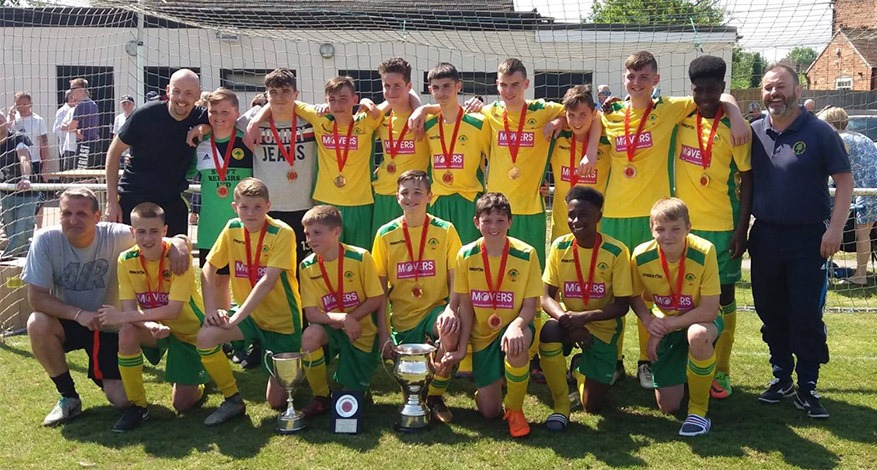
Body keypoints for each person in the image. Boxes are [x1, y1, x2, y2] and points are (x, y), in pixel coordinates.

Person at [596, 51, 748, 389]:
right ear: (624, 78)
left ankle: (647, 362)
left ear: (656, 81)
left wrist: (736, 113)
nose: (636, 83)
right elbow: (583, 119)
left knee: (651, 290)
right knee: (614, 293)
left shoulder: (670, 110)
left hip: (653, 218)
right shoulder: (611, 113)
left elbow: (713, 91)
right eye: (631, 77)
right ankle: (613, 360)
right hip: (614, 216)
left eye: (643, 77)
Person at [22, 188, 190, 426]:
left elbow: (152, 234)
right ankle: (68, 397)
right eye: (67, 213)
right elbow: (37, 298)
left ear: (97, 217)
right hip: (71, 321)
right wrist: (79, 315)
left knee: (122, 400)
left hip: (111, 328)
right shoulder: (46, 240)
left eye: (81, 214)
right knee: (37, 322)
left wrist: (179, 243)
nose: (73, 220)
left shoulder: (116, 235)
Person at [749, 64, 852, 419]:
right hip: (763, 236)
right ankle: (782, 377)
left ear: (797, 89)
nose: (773, 93)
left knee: (805, 314)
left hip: (809, 238)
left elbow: (844, 182)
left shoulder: (820, 131)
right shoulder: (754, 132)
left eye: (781, 86)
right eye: (767, 87)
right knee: (769, 311)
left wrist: (835, 229)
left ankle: (808, 384)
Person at [96, 203, 241, 431]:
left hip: (190, 334)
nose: (147, 238)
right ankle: (138, 407)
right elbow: (128, 309)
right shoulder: (126, 260)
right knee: (128, 331)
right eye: (141, 232)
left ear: (164, 231)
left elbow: (173, 310)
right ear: (132, 233)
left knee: (182, 405)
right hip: (157, 329)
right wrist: (148, 323)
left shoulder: (177, 259)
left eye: (154, 231)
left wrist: (122, 317)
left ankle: (202, 379)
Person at [671, 56, 752, 400]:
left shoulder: (736, 129)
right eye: (698, 89)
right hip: (684, 229)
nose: (705, 95)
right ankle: (687, 362)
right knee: (685, 297)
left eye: (713, 89)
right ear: (692, 90)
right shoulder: (680, 119)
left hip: (722, 227)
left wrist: (741, 228)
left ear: (723, 88)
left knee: (726, 298)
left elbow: (747, 178)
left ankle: (722, 370)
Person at [195, 177, 302, 413]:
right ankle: (232, 398)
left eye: (257, 207)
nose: (250, 213)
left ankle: (299, 363)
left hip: (281, 320)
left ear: (268, 206)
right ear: (235, 207)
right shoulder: (232, 227)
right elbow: (207, 268)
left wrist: (235, 318)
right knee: (205, 337)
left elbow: (268, 281)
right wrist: (211, 309)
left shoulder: (282, 232)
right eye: (244, 207)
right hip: (250, 316)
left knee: (276, 402)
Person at [371, 170, 463, 423]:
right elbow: (378, 291)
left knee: (450, 329)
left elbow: (457, 276)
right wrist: (384, 332)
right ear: (396, 197)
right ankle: (418, 394)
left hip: (435, 308)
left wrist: (451, 310)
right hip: (402, 316)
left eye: (418, 192)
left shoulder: (445, 230)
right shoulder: (385, 234)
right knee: (411, 383)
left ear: (430, 197)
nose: (411, 198)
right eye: (405, 193)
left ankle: (435, 396)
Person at [540, 186, 631, 430]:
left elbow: (622, 305)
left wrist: (584, 318)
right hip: (568, 322)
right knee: (548, 332)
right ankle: (561, 402)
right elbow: (545, 297)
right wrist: (567, 320)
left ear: (598, 216)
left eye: (583, 215)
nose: (575, 221)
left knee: (593, 406)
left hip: (602, 328)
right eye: (571, 215)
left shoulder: (617, 251)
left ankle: (579, 368)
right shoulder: (560, 247)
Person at [630, 198, 722, 437]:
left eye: (675, 229)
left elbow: (710, 309)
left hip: (701, 321)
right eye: (660, 229)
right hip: (667, 323)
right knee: (668, 406)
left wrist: (662, 328)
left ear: (688, 228)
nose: (667, 236)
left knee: (698, 335)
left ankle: (698, 412)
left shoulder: (705, 251)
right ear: (651, 229)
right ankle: (694, 371)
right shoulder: (640, 255)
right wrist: (650, 322)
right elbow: (633, 296)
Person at [453, 192, 542, 438]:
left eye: (500, 220)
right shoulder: (466, 255)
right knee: (490, 412)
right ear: (476, 223)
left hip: (515, 323)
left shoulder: (526, 254)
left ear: (510, 222)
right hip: (483, 335)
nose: (494, 227)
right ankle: (490, 388)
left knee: (518, 341)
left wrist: (516, 326)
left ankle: (515, 409)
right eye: (487, 220)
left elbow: (530, 305)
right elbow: (466, 307)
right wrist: (463, 348)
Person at [298, 205, 385, 416]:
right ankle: (320, 397)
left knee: (352, 398)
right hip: (333, 329)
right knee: (310, 336)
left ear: (337, 232)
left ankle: (358, 386)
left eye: (317, 233)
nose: (311, 239)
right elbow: (311, 313)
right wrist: (342, 318)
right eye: (307, 234)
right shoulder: (306, 266)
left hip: (361, 333)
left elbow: (377, 297)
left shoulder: (360, 257)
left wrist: (352, 319)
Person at [105, 69, 210, 236]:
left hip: (171, 202)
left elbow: (225, 119)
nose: (181, 99)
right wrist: (111, 202)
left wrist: (204, 127)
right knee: (126, 258)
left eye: (189, 93)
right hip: (134, 198)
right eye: (176, 91)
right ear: (168, 90)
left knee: (177, 256)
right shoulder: (145, 115)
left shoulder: (201, 117)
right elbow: (114, 152)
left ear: (198, 95)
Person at [237, 68, 316, 265]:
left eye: (286, 92)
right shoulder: (250, 119)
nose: (279, 98)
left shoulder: (310, 118)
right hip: (267, 207)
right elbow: (217, 119)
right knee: (267, 267)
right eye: (273, 93)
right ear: (266, 95)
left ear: (296, 94)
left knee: (301, 268)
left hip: (305, 205)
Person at [192, 88, 254, 308]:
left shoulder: (247, 141)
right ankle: (217, 326)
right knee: (215, 281)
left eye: (225, 112)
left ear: (237, 113)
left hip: (243, 227)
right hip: (210, 227)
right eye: (213, 111)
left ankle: (245, 332)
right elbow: (187, 172)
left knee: (246, 282)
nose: (218, 117)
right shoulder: (200, 141)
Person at [421, 62, 491, 245]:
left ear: (458, 87)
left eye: (447, 86)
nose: (442, 93)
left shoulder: (479, 123)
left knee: (468, 258)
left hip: (468, 200)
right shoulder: (427, 125)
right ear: (430, 90)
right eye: (436, 88)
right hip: (438, 201)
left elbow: (497, 158)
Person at [817, 106, 877, 286]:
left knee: (861, 234)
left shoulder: (839, 140)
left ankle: (860, 275)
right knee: (861, 232)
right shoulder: (861, 136)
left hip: (867, 192)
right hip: (869, 189)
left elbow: (830, 170)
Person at [371, 58, 430, 233]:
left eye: (397, 85)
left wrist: (421, 108)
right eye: (386, 86)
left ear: (409, 86)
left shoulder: (425, 119)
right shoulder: (380, 119)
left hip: (414, 196)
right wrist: (367, 102)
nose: (391, 91)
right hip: (384, 195)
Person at [548, 85, 608, 241]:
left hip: (598, 226)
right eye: (571, 115)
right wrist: (559, 120)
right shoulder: (558, 136)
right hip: (562, 226)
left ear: (593, 113)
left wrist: (592, 148)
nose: (576, 121)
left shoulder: (606, 139)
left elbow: (603, 116)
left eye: (583, 115)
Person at [9, 91, 50, 228]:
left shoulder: (38, 120)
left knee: (38, 197)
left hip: (34, 162)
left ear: (30, 104)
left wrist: (45, 166)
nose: (21, 107)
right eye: (18, 104)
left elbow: (44, 143)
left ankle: (39, 228)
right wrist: (10, 119)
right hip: (16, 164)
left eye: (24, 104)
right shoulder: (13, 121)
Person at [0, 113, 37, 258]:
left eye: (1, 120)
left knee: (22, 231)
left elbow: (24, 158)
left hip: (26, 193)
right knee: (11, 232)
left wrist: (25, 178)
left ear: (6, 122)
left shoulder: (18, 139)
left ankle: (6, 259)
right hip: (5, 193)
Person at [67, 78, 101, 169]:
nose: (71, 92)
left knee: (82, 175)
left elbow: (71, 127)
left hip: (86, 145)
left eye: (72, 89)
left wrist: (74, 130)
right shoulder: (93, 104)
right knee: (90, 175)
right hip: (95, 145)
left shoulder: (81, 105)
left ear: (81, 89)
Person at [54, 90, 78, 172]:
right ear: (70, 98)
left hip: (78, 147)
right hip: (67, 147)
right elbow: (57, 129)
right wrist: (71, 132)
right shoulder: (62, 111)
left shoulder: (79, 108)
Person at [112, 95, 136, 167]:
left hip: (133, 153)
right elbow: (115, 135)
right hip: (121, 152)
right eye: (124, 104)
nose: (126, 106)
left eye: (129, 103)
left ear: (133, 105)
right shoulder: (118, 118)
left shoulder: (137, 116)